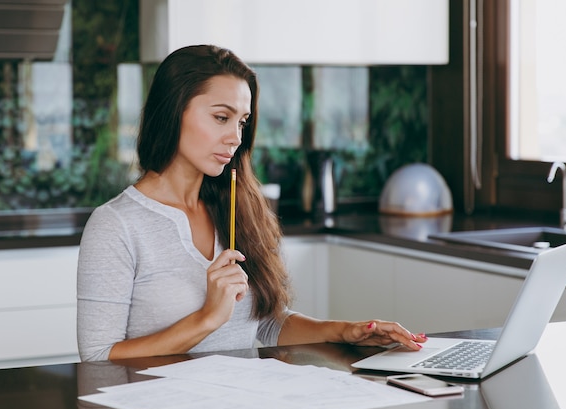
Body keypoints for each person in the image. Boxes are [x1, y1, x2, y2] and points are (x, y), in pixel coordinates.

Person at [76, 44, 427, 362]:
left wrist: (345, 331)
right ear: (173, 111)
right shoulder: (116, 225)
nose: (235, 138)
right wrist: (207, 318)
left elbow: (266, 326)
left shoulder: (239, 209)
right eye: (220, 117)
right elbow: (98, 357)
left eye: (242, 122)